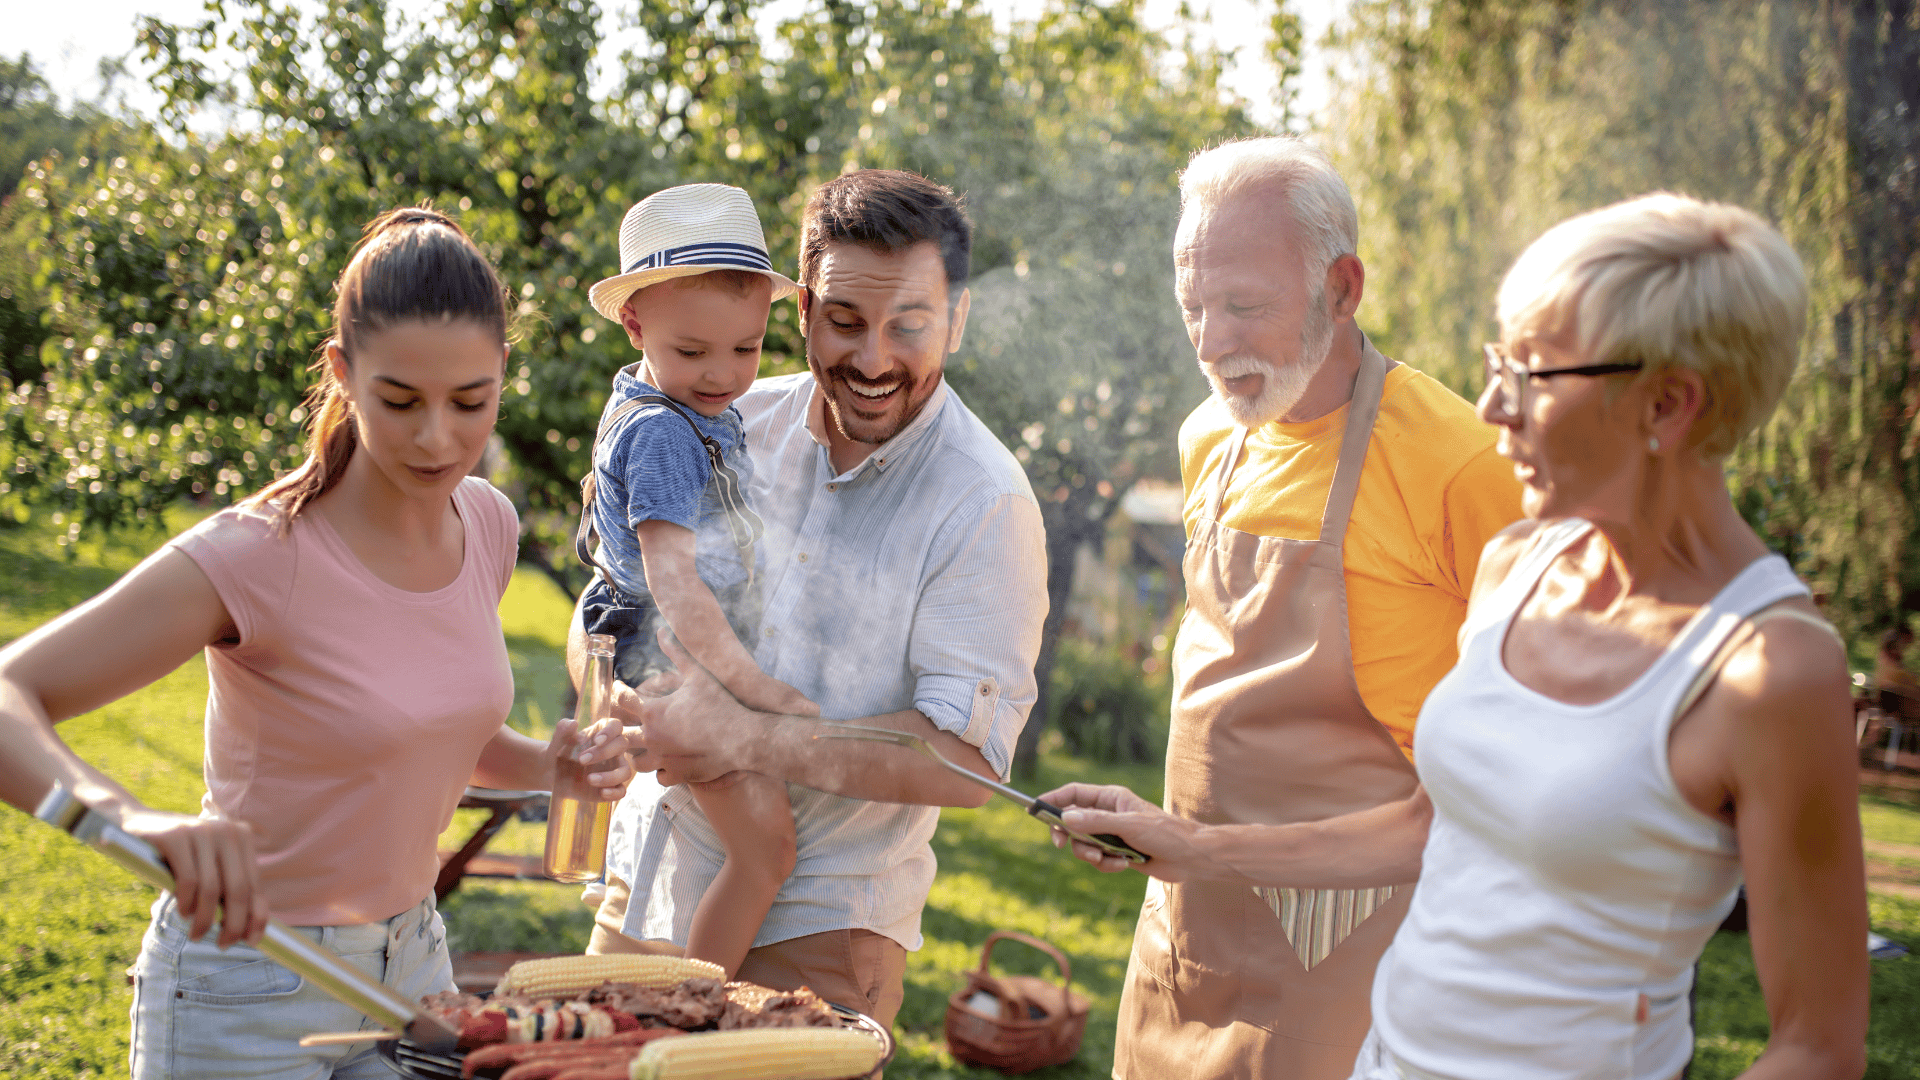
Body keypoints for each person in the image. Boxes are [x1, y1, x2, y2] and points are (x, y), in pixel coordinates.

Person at [1047, 193, 1870, 1079]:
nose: (1489, 407)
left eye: (1531, 377)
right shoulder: (1518, 565)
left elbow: (1816, 1048)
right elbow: (1432, 822)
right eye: (1496, 364)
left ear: (1667, 406)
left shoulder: (1770, 670)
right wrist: (1192, 846)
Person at [0, 208, 634, 1079]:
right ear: (344, 371)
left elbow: (426, 724)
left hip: (414, 967)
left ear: (501, 377)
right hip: (252, 979)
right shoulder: (255, 554)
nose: (438, 438)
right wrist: (131, 819)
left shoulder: (487, 523)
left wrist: (546, 767)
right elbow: (8, 693)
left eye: (471, 402)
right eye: (400, 401)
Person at [1033, 137, 1525, 1078]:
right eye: (1193, 308)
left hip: (1360, 965)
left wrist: (1195, 846)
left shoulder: (1462, 466)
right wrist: (1170, 837)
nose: (1213, 343)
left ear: (1342, 289)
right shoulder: (1209, 437)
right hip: (1182, 937)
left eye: (1245, 307)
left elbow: (1499, 802)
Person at [574, 169, 1048, 1030]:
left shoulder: (985, 504)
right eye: (845, 322)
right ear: (798, 313)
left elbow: (968, 764)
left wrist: (743, 735)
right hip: (649, 883)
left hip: (818, 933)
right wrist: (614, 687)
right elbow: (610, 591)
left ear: (959, 317)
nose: (872, 360)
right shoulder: (720, 414)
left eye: (909, 325)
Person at [574, 183, 818, 978]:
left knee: (754, 849)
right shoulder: (664, 435)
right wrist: (750, 685)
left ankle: (681, 987)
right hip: (667, 647)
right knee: (765, 852)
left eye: (745, 349)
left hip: (668, 641)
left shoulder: (675, 407)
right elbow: (672, 578)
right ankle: (697, 1008)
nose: (722, 374)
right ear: (636, 324)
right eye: (693, 352)